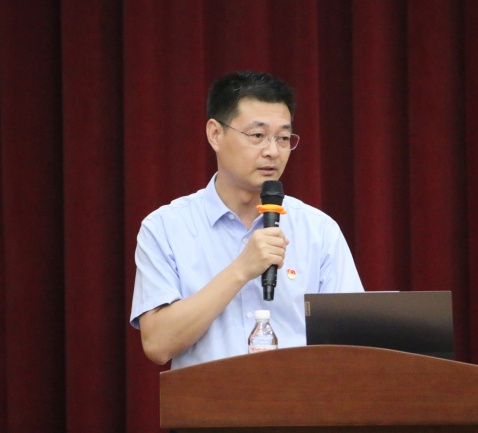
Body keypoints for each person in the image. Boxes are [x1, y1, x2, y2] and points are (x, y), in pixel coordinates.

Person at [130, 70, 364, 369]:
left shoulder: (318, 230)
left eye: (283, 138)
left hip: (299, 397)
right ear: (215, 134)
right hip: (209, 397)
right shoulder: (165, 228)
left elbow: (352, 344)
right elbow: (158, 345)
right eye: (257, 136)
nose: (273, 151)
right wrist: (241, 269)